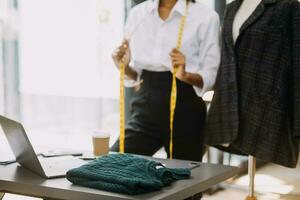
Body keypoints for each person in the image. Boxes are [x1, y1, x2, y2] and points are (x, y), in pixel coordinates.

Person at [111, 0, 220, 163]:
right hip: (145, 105)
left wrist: (185, 75)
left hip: (186, 108)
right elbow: (137, 75)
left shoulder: (206, 17)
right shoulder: (138, 14)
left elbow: (211, 74)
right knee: (115, 164)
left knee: (186, 182)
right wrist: (123, 66)